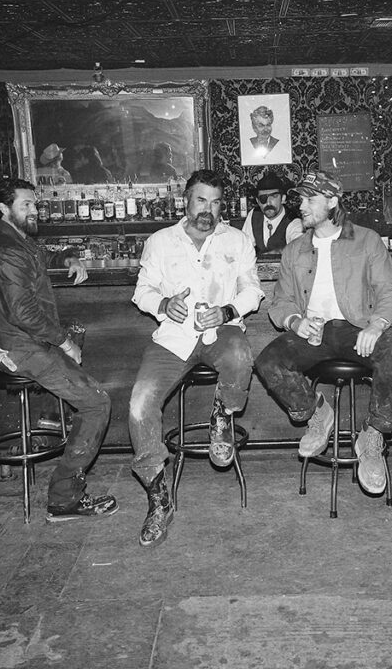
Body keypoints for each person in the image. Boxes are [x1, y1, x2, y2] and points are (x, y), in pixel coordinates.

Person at [256, 170, 392, 496]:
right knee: (267, 361)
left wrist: (376, 324)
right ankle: (319, 413)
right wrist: (294, 322)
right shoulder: (295, 250)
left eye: (309, 199)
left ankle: (372, 435)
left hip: (357, 328)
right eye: (300, 198)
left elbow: (389, 291)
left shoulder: (367, 240)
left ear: (332, 201)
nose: (301, 205)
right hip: (312, 333)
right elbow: (281, 302)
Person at [129, 169, 263, 547]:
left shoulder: (237, 240)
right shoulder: (160, 241)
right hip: (173, 338)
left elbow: (252, 289)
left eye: (216, 202)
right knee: (139, 405)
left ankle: (222, 417)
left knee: (240, 353)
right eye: (201, 200)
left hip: (219, 330)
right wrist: (163, 303)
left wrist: (227, 310)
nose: (208, 209)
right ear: (185, 200)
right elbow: (142, 291)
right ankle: (159, 498)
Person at [0, 178, 118, 522]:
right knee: (98, 403)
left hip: (19, 343)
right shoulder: (6, 250)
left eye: (34, 204)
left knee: (84, 391)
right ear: (3, 209)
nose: (34, 210)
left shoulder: (13, 241)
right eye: (25, 205)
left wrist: (68, 256)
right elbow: (23, 312)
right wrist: (64, 342)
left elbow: (41, 257)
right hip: (20, 347)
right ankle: (64, 498)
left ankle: (59, 419)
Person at [241, 171, 304, 255]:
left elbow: (300, 247)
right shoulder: (254, 215)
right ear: (258, 201)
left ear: (283, 199)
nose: (268, 203)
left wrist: (279, 251)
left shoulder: (293, 221)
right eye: (263, 198)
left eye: (274, 196)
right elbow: (244, 246)